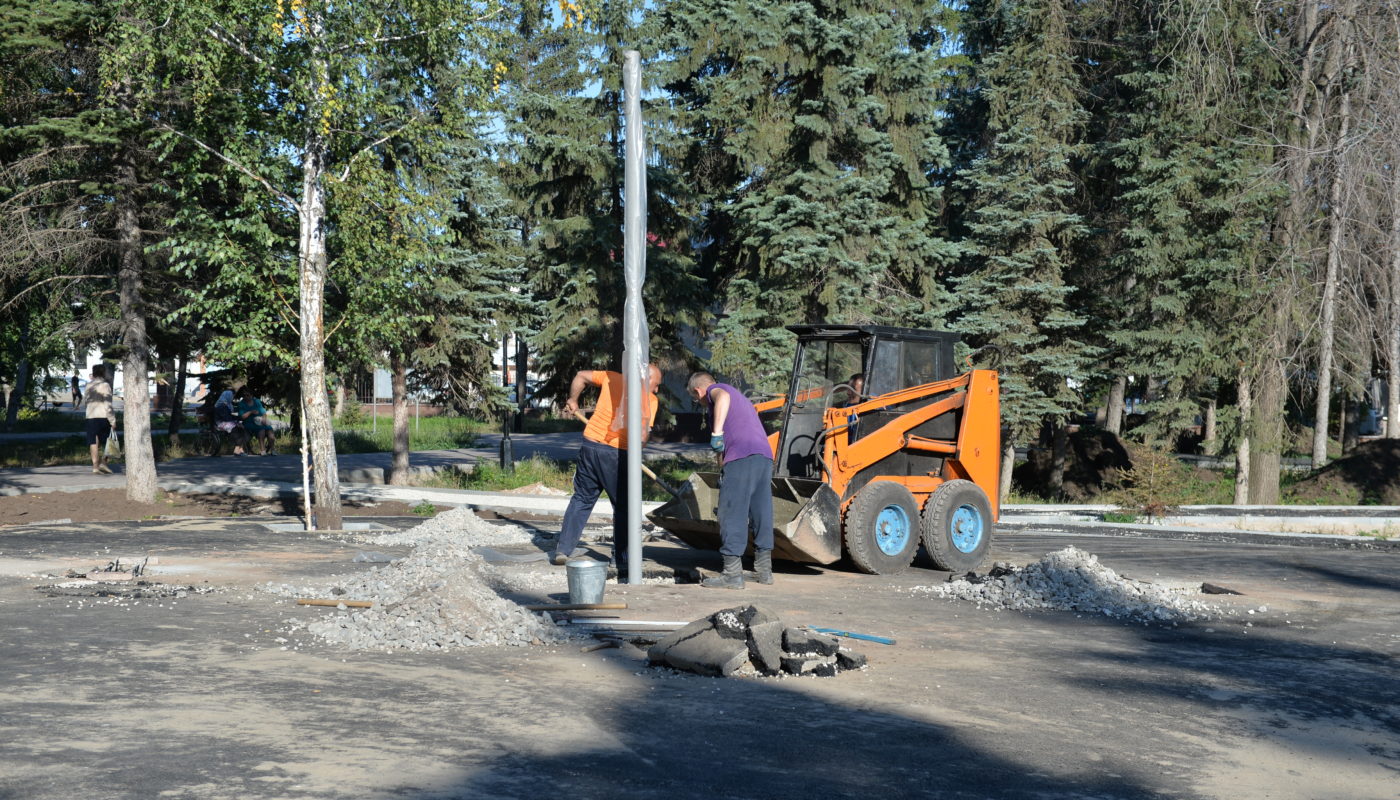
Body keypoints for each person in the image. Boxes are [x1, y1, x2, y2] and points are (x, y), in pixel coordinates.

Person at [552, 363, 663, 580]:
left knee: (582, 498)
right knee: (623, 506)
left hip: (590, 445)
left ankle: (563, 550)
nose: (657, 390)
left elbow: (580, 374)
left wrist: (573, 400)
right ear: (647, 379)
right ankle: (621, 559)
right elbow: (641, 437)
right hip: (615, 453)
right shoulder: (649, 400)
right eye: (656, 384)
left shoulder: (612, 378)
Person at [687, 371, 775, 589]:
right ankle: (764, 571)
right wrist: (723, 472)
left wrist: (715, 433)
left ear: (698, 391)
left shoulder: (719, 392)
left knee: (731, 513)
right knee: (761, 511)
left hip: (742, 457)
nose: (699, 403)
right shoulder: (740, 398)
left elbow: (722, 398)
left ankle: (732, 575)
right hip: (763, 456)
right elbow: (724, 447)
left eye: (695, 399)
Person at [80, 365, 117, 474]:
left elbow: (85, 402)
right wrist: (113, 420)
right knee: (109, 441)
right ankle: (104, 463)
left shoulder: (88, 385)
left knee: (93, 442)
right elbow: (108, 404)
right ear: (104, 372)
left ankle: (95, 466)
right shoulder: (105, 385)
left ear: (94, 373)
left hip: (90, 416)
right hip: (103, 416)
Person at [236, 387, 275, 456]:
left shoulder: (256, 401)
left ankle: (273, 450)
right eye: (244, 395)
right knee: (261, 430)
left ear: (251, 395)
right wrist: (251, 412)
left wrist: (264, 419)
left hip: (260, 421)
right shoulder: (241, 404)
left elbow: (263, 412)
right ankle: (263, 451)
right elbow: (242, 417)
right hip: (249, 423)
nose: (246, 397)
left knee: (270, 432)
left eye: (247, 395)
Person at [213, 389, 250, 456]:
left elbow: (229, 417)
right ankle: (237, 450)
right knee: (236, 428)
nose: (232, 397)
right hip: (221, 423)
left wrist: (239, 420)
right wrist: (236, 422)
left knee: (243, 428)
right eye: (232, 396)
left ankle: (239, 449)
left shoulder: (227, 404)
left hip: (227, 421)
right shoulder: (221, 405)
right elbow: (226, 418)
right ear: (228, 396)